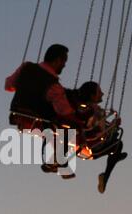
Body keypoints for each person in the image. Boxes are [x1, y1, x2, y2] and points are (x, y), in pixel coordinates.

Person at [5, 44, 83, 177]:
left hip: (18, 115)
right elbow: (65, 111)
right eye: (64, 62)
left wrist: (26, 87)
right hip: (37, 120)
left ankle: (60, 163)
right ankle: (59, 161)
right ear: (58, 60)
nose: (64, 65)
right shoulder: (53, 85)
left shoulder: (26, 67)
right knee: (68, 127)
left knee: (57, 128)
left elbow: (8, 85)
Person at [67, 81, 127, 193]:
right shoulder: (96, 111)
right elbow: (99, 132)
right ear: (92, 95)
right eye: (99, 92)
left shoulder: (77, 108)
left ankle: (115, 156)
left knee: (114, 142)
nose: (103, 94)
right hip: (92, 147)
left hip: (76, 145)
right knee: (118, 144)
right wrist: (114, 126)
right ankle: (106, 175)